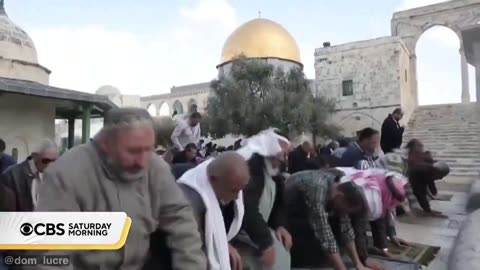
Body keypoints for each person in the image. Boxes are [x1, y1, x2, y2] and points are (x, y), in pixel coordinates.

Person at [32, 108, 206, 269]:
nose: (143, 161)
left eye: (148, 149)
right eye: (133, 151)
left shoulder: (156, 168)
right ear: (106, 144)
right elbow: (49, 251)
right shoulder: (66, 173)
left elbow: (182, 224)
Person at [285, 169, 377, 270]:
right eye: (345, 209)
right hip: (285, 211)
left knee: (334, 236)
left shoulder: (337, 191)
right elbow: (324, 232)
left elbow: (346, 229)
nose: (344, 212)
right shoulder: (317, 188)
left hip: (304, 212)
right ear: (340, 196)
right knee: (319, 243)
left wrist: (358, 264)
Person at [178, 151, 250, 270]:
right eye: (233, 190)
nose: (237, 197)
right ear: (213, 179)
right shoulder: (189, 204)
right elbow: (188, 254)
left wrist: (223, 244)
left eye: (240, 190)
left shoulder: (222, 184)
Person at [232, 129, 292, 270]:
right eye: (282, 153)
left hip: (260, 228)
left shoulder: (274, 167)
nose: (284, 158)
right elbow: (247, 206)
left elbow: (279, 203)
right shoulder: (251, 166)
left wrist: (280, 225)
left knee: (282, 254)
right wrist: (266, 243)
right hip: (239, 232)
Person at [0, 139, 59, 211]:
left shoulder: (55, 175)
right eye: (46, 161)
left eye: (54, 161)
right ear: (34, 155)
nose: (50, 165)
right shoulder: (11, 175)